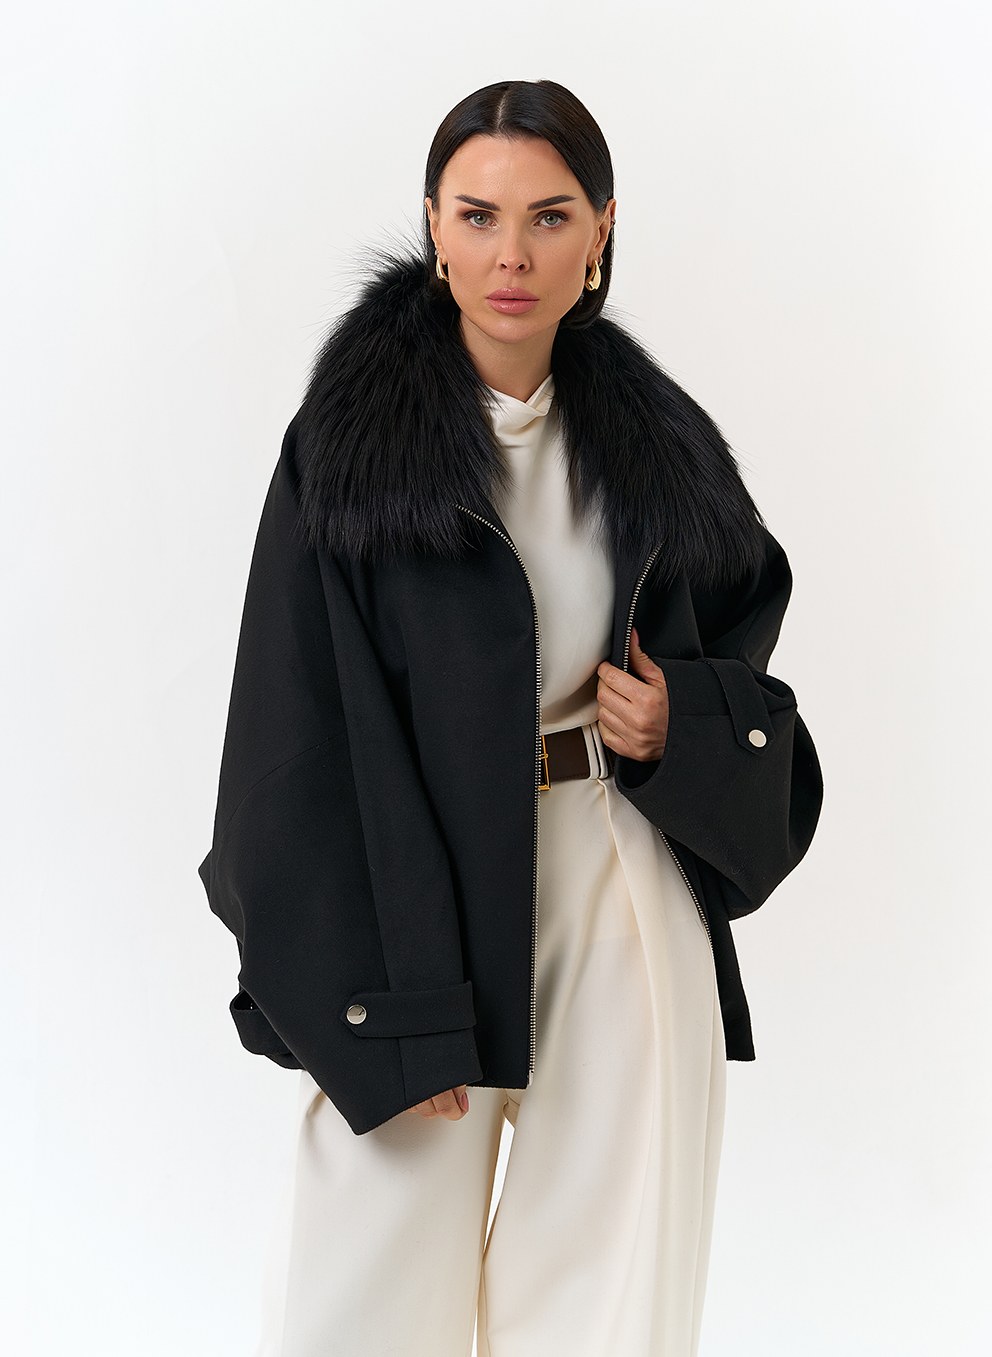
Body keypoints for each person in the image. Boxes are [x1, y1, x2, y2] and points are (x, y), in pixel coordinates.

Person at [199, 79, 822, 1357]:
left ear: (600, 230)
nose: (511, 256)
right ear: (433, 223)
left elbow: (742, 648)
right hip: (416, 897)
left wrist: (679, 727)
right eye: (478, 215)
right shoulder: (349, 447)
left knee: (605, 1299)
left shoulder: (655, 444)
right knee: (360, 1293)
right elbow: (291, 731)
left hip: (615, 883)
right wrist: (383, 1004)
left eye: (548, 217)